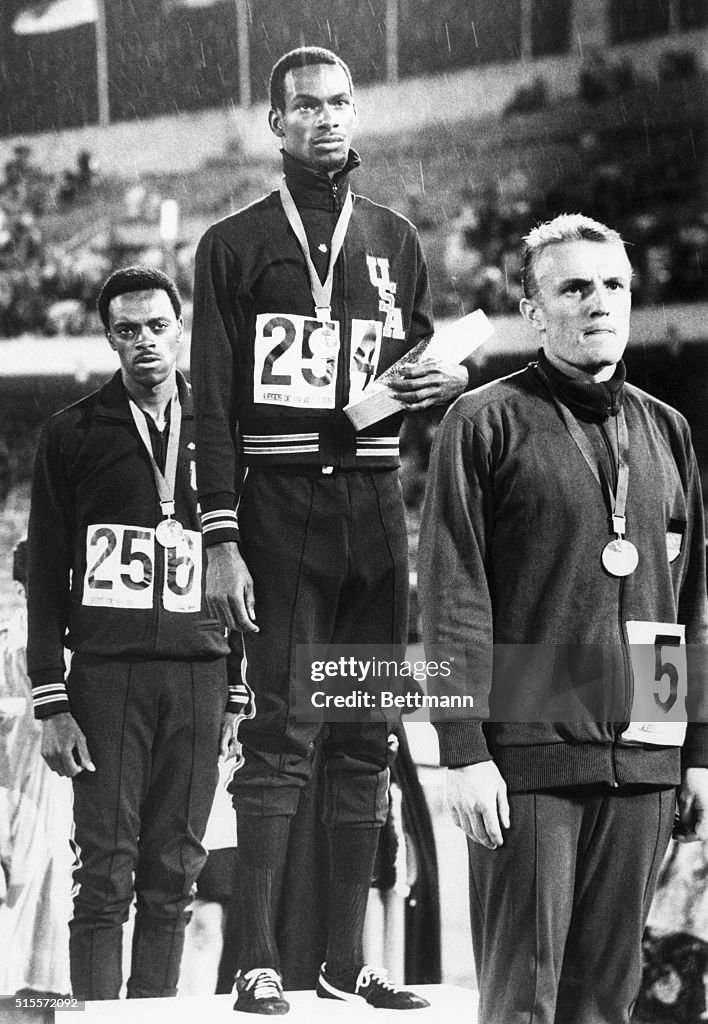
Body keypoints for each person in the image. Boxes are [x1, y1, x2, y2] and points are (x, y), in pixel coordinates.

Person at [191, 45, 469, 1015]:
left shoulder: (395, 236)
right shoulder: (230, 244)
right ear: (275, 122)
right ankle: (259, 955)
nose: (325, 119)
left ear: (359, 113)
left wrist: (448, 377)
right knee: (280, 734)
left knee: (369, 729)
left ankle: (345, 958)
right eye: (304, 106)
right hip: (275, 507)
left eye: (340, 102)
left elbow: (421, 355)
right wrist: (220, 539)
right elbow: (216, 406)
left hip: (374, 507)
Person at [418, 213, 708, 1024]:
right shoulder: (483, 422)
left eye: (613, 284)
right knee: (524, 1002)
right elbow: (454, 597)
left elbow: (690, 605)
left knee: (606, 1005)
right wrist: (465, 749)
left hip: (646, 762)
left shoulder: (668, 431)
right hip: (528, 760)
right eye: (573, 287)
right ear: (534, 310)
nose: (598, 302)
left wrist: (696, 752)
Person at [26, 265, 237, 1001]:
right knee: (107, 873)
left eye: (157, 326)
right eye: (127, 330)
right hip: (108, 678)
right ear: (108, 338)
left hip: (200, 673)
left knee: (176, 872)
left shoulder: (220, 428)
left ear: (179, 330)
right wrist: (51, 702)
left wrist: (238, 686)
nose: (144, 342)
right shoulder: (71, 434)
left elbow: (243, 565)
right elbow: (47, 574)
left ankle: (152, 1017)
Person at [0, 540, 73, 997]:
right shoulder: (21, 641)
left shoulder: (27, 637)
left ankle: (48, 991)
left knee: (52, 882)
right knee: (32, 879)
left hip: (43, 774)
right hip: (27, 775)